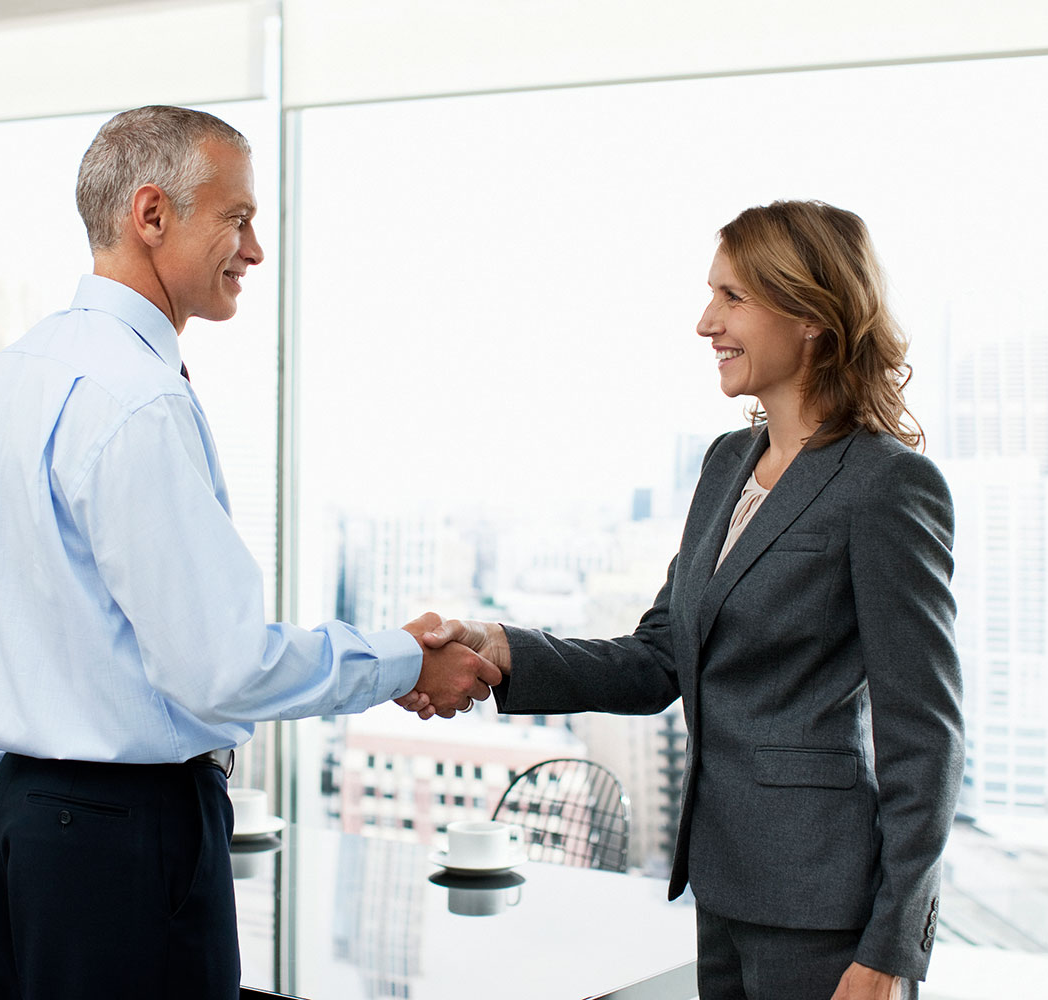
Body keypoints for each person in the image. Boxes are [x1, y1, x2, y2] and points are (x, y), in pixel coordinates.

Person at [0, 105, 499, 1000]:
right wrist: (403, 660)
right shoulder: (137, 399)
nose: (255, 249)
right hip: (128, 835)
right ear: (152, 215)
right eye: (236, 218)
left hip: (23, 826)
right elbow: (220, 666)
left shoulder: (11, 376)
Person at [413, 200, 963, 1000]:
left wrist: (890, 953)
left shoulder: (886, 486)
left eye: (733, 297)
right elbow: (660, 656)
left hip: (825, 913)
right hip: (724, 887)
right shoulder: (727, 464)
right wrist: (499, 646)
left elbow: (927, 736)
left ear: (810, 312)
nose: (707, 322)